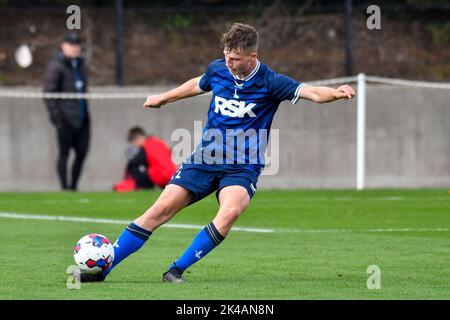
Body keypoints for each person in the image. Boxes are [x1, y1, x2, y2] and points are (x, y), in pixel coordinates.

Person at [78, 23, 355, 283]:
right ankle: (104, 270)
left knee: (230, 211)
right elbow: (196, 84)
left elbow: (312, 92)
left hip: (242, 167)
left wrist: (336, 92)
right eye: (226, 55)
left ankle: (176, 270)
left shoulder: (271, 82)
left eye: (235, 58)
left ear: (252, 56)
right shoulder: (219, 69)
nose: (228, 62)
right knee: (159, 210)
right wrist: (163, 98)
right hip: (205, 159)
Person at [44, 32, 89, 191]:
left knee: (82, 153)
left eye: (77, 45)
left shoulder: (81, 65)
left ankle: (73, 186)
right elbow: (49, 94)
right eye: (71, 45)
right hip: (65, 119)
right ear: (63, 46)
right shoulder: (56, 66)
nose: (75, 48)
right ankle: (64, 188)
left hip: (82, 118)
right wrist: (57, 119)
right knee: (64, 154)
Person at [113, 127, 177, 192]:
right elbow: (170, 152)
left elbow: (133, 163)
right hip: (173, 176)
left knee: (135, 169)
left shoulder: (145, 148)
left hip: (161, 176)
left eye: (134, 143)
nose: (136, 146)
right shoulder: (159, 142)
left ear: (138, 139)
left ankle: (134, 187)